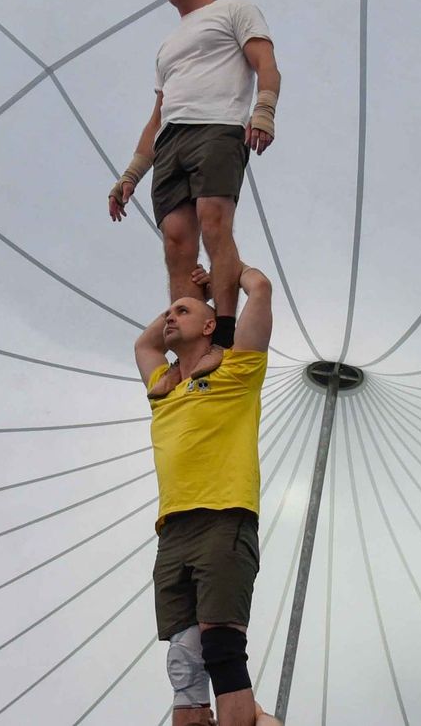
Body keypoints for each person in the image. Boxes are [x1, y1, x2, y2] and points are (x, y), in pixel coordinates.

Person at [110, 0, 282, 378]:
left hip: (218, 125)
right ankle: (187, 351)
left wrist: (264, 109)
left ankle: (221, 335)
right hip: (170, 140)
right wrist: (131, 174)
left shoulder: (235, 9)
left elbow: (265, 62)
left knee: (213, 221)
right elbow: (157, 114)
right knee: (176, 242)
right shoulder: (167, 46)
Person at [135, 265, 281, 726]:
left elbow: (261, 289)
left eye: (182, 312)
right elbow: (144, 345)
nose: (169, 317)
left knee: (221, 646)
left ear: (210, 326)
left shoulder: (237, 370)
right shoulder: (163, 385)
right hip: (172, 529)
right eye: (168, 312)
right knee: (184, 661)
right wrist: (190, 301)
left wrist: (226, 276)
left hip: (223, 516)